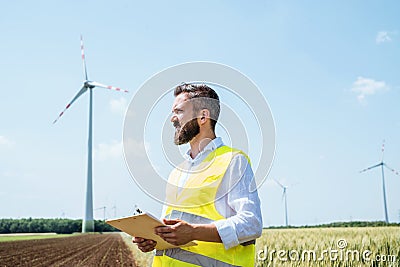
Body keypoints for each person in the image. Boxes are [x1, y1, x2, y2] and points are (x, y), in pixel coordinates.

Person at [133, 83, 262, 267]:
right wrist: (153, 240)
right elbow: (173, 231)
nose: (172, 119)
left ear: (203, 116)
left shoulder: (233, 161)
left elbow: (252, 224)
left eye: (179, 111)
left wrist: (193, 232)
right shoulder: (176, 173)